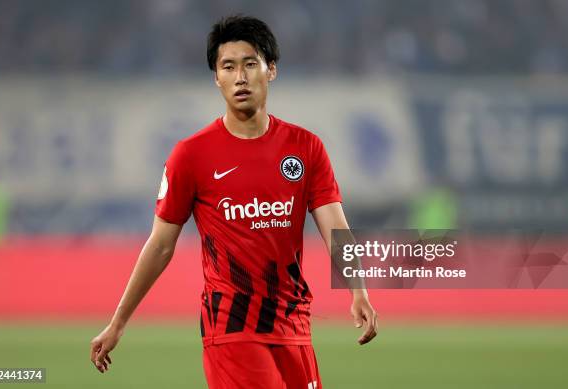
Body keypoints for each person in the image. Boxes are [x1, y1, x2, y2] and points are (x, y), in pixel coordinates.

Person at [90, 15, 378, 388]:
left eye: (249, 64)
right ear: (216, 77)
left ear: (270, 70)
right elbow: (160, 245)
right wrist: (119, 322)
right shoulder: (191, 156)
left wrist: (359, 290)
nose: (239, 77)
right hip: (231, 327)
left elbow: (335, 226)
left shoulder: (306, 148)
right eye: (228, 66)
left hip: (294, 325)